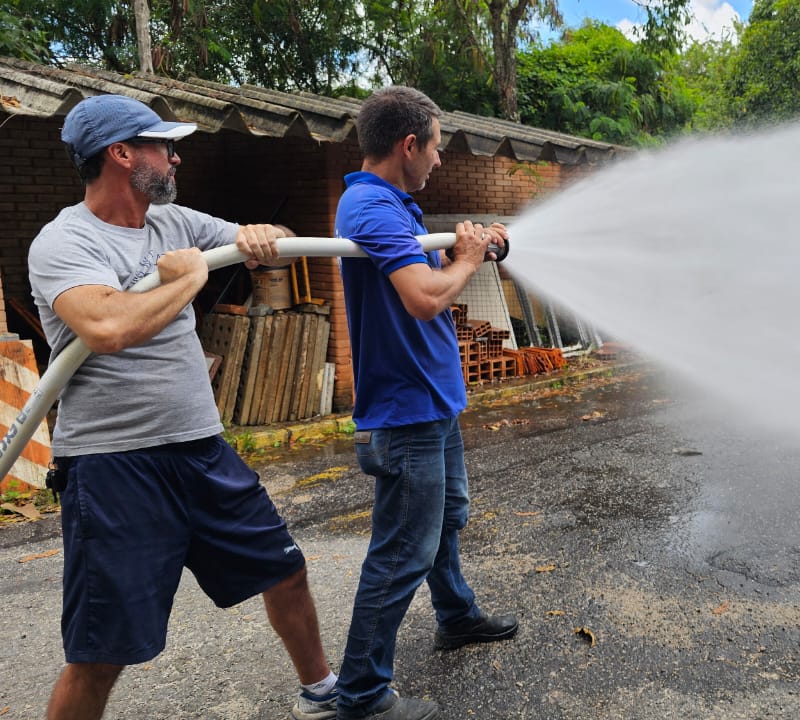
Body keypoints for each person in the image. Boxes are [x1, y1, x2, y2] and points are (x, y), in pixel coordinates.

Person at [28, 94, 337, 720]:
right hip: (114, 467)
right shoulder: (62, 242)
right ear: (121, 155)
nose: (175, 157)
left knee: (286, 571)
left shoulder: (176, 224)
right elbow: (108, 326)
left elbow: (277, 242)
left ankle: (325, 695)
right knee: (101, 649)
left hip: (201, 448)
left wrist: (262, 235)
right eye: (163, 147)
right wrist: (191, 281)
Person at [332, 85, 517, 720]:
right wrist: (466, 258)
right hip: (404, 413)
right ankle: (360, 694)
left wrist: (470, 243)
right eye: (436, 147)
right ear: (409, 145)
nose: (439, 160)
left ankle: (456, 616)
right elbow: (425, 298)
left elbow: (423, 270)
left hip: (432, 403)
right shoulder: (371, 208)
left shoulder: (396, 206)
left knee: (444, 520)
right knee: (403, 548)